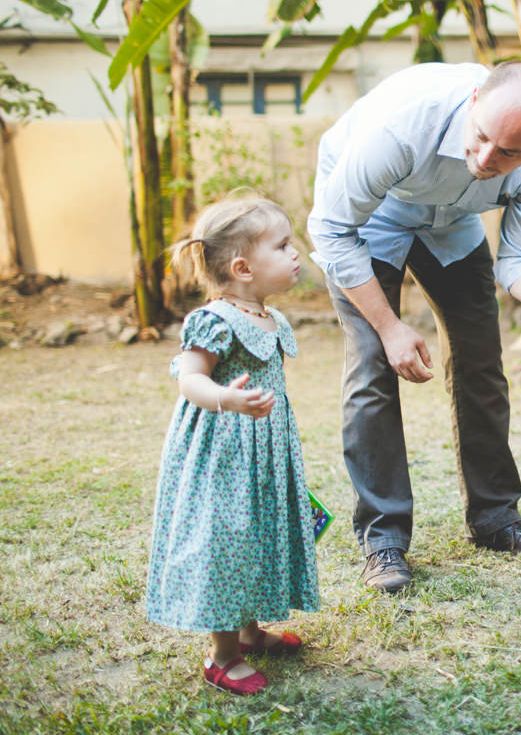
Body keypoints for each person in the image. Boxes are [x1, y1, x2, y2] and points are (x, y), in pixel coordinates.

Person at [308, 60, 521, 595]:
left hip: (452, 225)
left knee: (481, 362)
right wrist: (390, 326)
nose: (486, 158)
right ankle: (383, 539)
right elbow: (331, 230)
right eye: (481, 138)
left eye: (509, 153)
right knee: (373, 367)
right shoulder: (403, 126)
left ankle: (496, 518)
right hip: (370, 219)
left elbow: (519, 265)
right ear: (473, 101)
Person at [146, 193, 319, 696]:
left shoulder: (267, 315)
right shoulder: (215, 318)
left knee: (259, 534)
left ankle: (249, 633)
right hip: (222, 453)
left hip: (264, 453)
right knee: (226, 542)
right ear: (243, 267)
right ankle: (222, 655)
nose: (295, 254)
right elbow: (189, 378)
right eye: (284, 245)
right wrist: (226, 399)